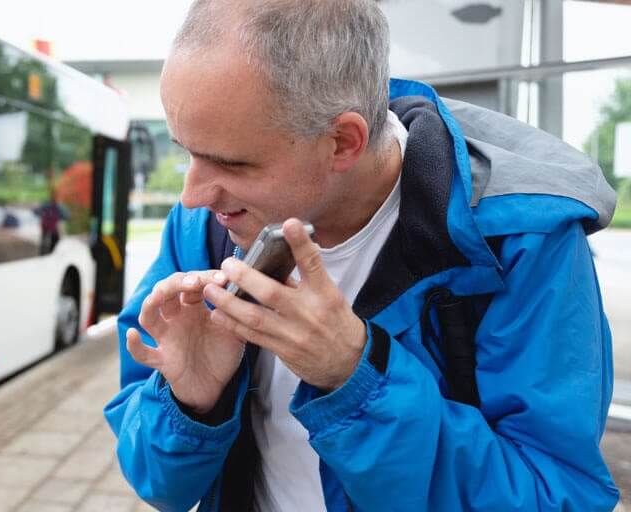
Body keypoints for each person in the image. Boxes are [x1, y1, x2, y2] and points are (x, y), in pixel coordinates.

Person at [103, 0, 620, 511]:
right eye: (186, 150)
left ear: (343, 141)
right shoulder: (205, 227)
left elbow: (557, 496)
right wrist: (191, 402)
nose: (192, 194)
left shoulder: (518, 243)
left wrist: (356, 377)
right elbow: (159, 484)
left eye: (231, 163)